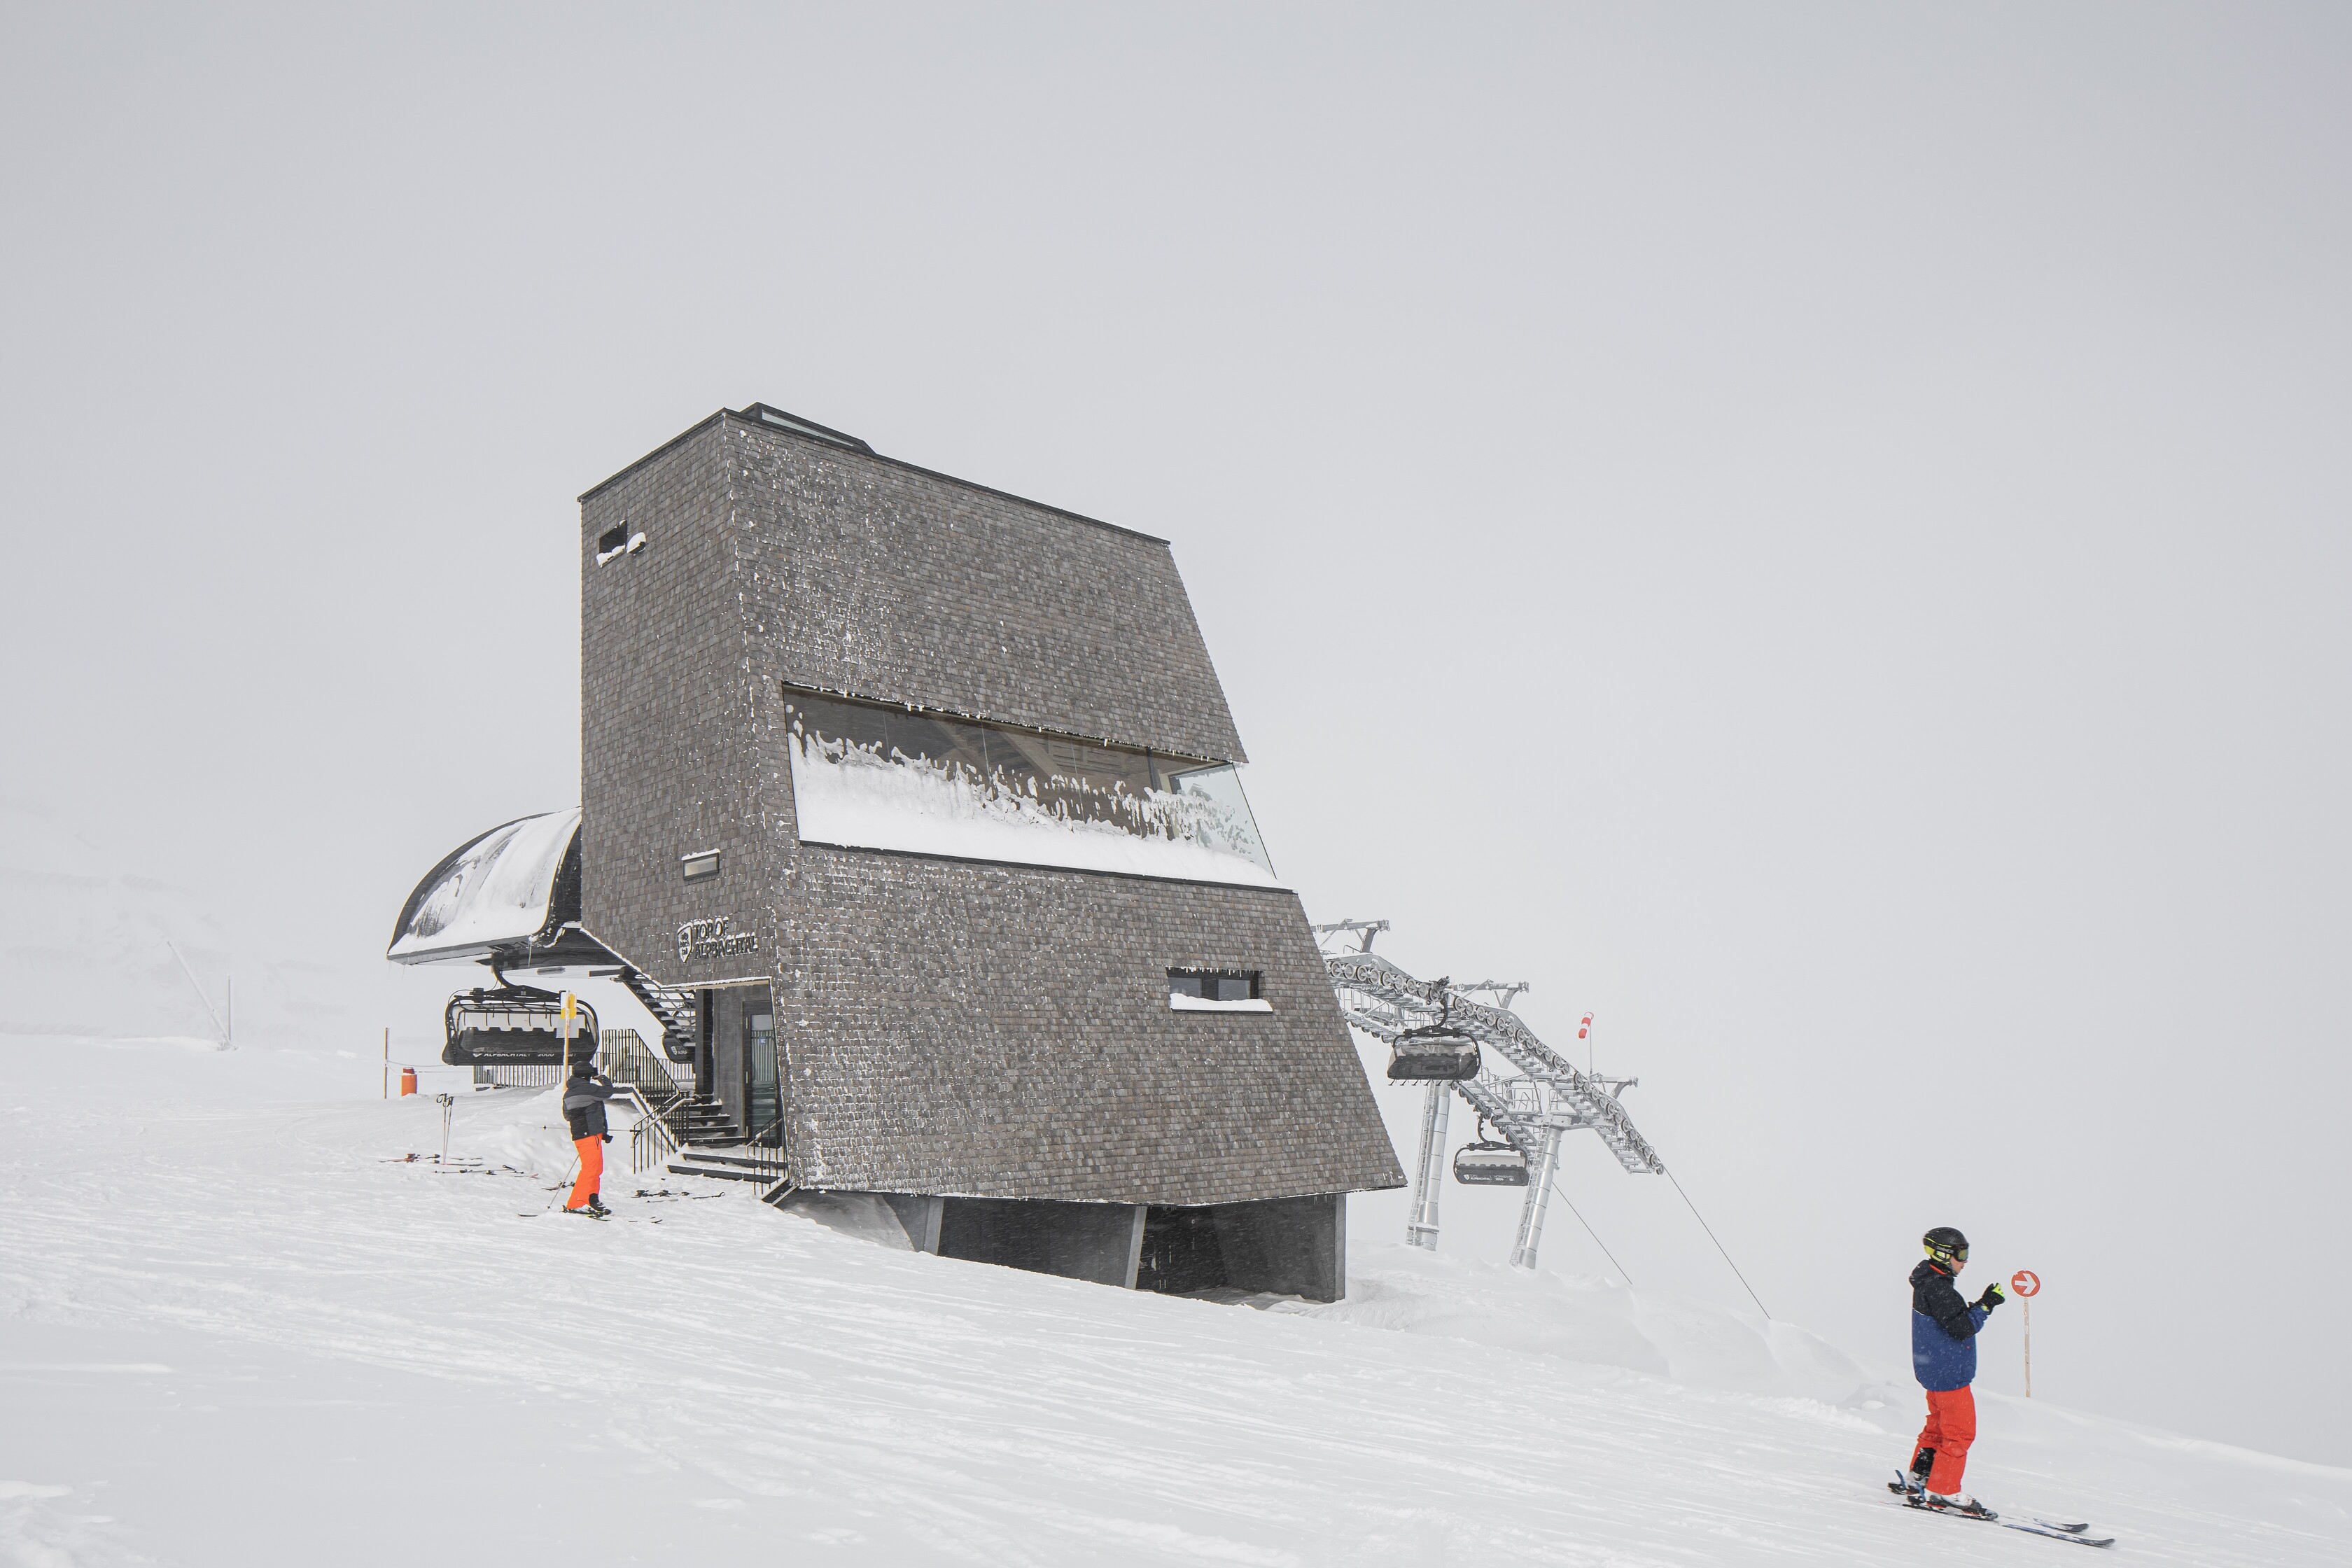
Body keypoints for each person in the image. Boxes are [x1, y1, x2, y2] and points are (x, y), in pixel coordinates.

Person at [1905, 1225, 2004, 1514]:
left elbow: (1951, 1318)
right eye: (1962, 1253)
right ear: (1944, 1254)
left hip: (1934, 1371)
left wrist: (1978, 1306)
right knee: (1960, 1433)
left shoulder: (1929, 1282)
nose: (1965, 1260)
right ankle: (1943, 1490)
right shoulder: (1938, 1288)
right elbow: (1962, 1327)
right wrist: (1986, 1305)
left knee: (1936, 1428)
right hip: (1950, 1375)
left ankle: (1919, 1477)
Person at [562, 1055, 624, 1217]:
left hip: (583, 1133)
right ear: (588, 1075)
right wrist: (602, 1078)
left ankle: (591, 1198)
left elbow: (567, 1115)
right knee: (590, 1169)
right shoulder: (587, 1088)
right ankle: (576, 1203)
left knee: (596, 1168)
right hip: (588, 1133)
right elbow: (608, 1092)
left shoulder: (570, 1091)